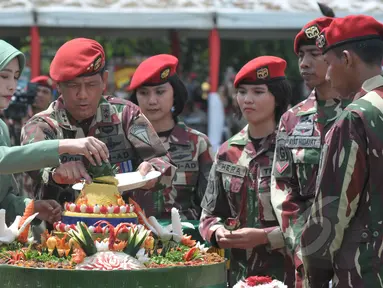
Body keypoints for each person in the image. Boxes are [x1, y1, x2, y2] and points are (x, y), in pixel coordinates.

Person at [21, 38, 176, 208]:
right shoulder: (42, 124)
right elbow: (30, 161)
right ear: (59, 86)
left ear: (104, 80)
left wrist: (153, 172)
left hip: (123, 228)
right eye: (73, 86)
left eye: (91, 85)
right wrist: (55, 172)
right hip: (61, 230)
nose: (83, 95)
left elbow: (164, 163)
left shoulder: (126, 115)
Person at [300, 15, 383, 287]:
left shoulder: (356, 117)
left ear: (346, 59)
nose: (326, 74)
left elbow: (329, 216)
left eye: (328, 62)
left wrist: (315, 276)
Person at [269, 17, 351, 288]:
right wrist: (305, 241)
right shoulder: (292, 120)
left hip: (362, 253)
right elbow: (283, 188)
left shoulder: (366, 112)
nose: (304, 63)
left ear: (336, 57)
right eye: (301, 55)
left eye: (314, 54)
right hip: (307, 255)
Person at [199, 56, 294, 287]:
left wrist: (265, 237)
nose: (247, 100)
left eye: (258, 92)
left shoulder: (295, 148)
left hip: (290, 275)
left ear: (277, 96)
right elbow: (208, 215)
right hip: (240, 277)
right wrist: (217, 232)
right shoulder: (227, 152)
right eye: (242, 92)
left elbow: (313, 219)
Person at [0, 39, 109, 225]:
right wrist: (65, 145)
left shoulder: (2, 127)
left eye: (16, 77)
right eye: (4, 76)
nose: (12, 85)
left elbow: (3, 201)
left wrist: (32, 207)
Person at [127, 54, 214, 221]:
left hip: (184, 240)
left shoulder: (197, 143)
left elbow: (210, 206)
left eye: (160, 92)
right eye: (144, 93)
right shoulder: (123, 141)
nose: (152, 101)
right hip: (129, 239)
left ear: (175, 94)